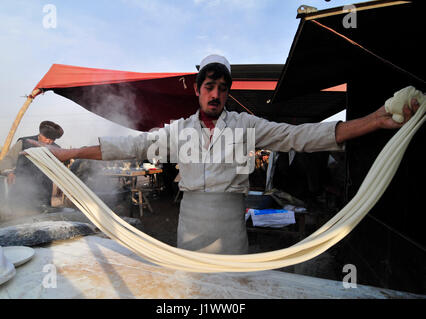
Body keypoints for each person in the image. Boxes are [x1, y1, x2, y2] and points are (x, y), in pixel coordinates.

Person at [26, 55, 420, 255]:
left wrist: (373, 120)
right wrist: (71, 152)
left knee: (232, 298)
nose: (215, 94)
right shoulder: (179, 132)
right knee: (191, 297)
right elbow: (133, 145)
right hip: (189, 232)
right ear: (197, 90)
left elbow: (301, 136)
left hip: (231, 235)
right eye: (209, 86)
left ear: (228, 92)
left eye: (222, 87)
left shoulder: (247, 127)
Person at [0, 121, 64, 212]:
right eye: (46, 138)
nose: (49, 141)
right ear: (40, 134)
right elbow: (8, 160)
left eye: (52, 140)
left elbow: (59, 169)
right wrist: (9, 173)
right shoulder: (24, 143)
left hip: (44, 191)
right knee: (19, 214)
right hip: (21, 188)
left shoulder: (56, 149)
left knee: (41, 217)